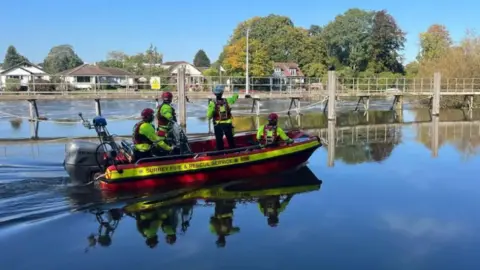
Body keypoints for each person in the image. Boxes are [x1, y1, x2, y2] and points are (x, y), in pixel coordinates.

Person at [207, 85, 239, 150]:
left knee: (219, 139)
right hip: (228, 123)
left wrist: (210, 116)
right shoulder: (227, 101)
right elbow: (234, 98)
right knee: (230, 138)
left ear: (214, 94)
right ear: (222, 93)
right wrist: (236, 93)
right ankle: (233, 150)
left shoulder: (212, 103)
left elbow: (209, 116)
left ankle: (220, 151)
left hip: (217, 124)